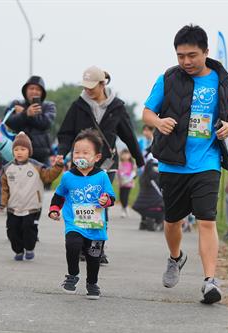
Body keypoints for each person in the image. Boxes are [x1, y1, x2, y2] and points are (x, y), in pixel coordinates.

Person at [142, 24, 228, 304]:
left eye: (192, 55)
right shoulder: (169, 79)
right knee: (173, 221)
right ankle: (176, 257)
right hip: (173, 162)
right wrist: (159, 122)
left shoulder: (222, 80)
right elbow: (147, 112)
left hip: (207, 160)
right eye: (180, 55)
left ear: (206, 52)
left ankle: (210, 281)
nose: (186, 61)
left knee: (207, 220)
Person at [57, 65, 144, 264]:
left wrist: (140, 161)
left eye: (92, 86)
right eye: (85, 86)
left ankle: (97, 248)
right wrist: (62, 153)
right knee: (81, 203)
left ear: (103, 84)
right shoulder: (78, 105)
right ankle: (80, 246)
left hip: (105, 164)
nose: (87, 90)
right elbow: (65, 133)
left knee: (100, 203)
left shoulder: (117, 107)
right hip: (80, 165)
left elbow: (129, 136)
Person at [49, 129, 115, 300]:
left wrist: (105, 200)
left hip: (95, 227)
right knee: (72, 245)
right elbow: (59, 195)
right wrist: (54, 209)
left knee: (94, 257)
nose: (80, 156)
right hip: (75, 223)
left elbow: (111, 197)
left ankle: (92, 284)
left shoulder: (102, 176)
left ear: (97, 157)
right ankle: (72, 276)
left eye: (86, 153)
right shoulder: (68, 176)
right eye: (76, 152)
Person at [0, 132, 63, 261]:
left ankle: (29, 248)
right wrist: (1, 203)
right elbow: (3, 188)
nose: (19, 152)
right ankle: (18, 250)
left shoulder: (36, 166)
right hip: (13, 207)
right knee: (12, 230)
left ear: (29, 151)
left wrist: (58, 166)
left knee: (29, 229)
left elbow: (49, 176)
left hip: (32, 206)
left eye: (23, 149)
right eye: (16, 149)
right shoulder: (7, 168)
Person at [5, 76, 56, 165]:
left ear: (42, 92)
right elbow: (8, 121)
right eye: (31, 88)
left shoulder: (49, 106)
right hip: (19, 154)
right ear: (25, 91)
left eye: (38, 89)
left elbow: (46, 123)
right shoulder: (16, 104)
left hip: (42, 156)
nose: (34, 91)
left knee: (45, 178)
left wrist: (29, 114)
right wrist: (25, 114)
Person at [116, 149, 136, 218]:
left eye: (126, 154)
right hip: (122, 183)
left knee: (125, 196)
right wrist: (118, 181)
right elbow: (118, 173)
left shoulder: (131, 164)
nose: (125, 156)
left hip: (128, 183)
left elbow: (133, 173)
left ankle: (125, 209)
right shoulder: (120, 164)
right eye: (123, 154)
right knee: (121, 197)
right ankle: (124, 207)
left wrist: (131, 180)